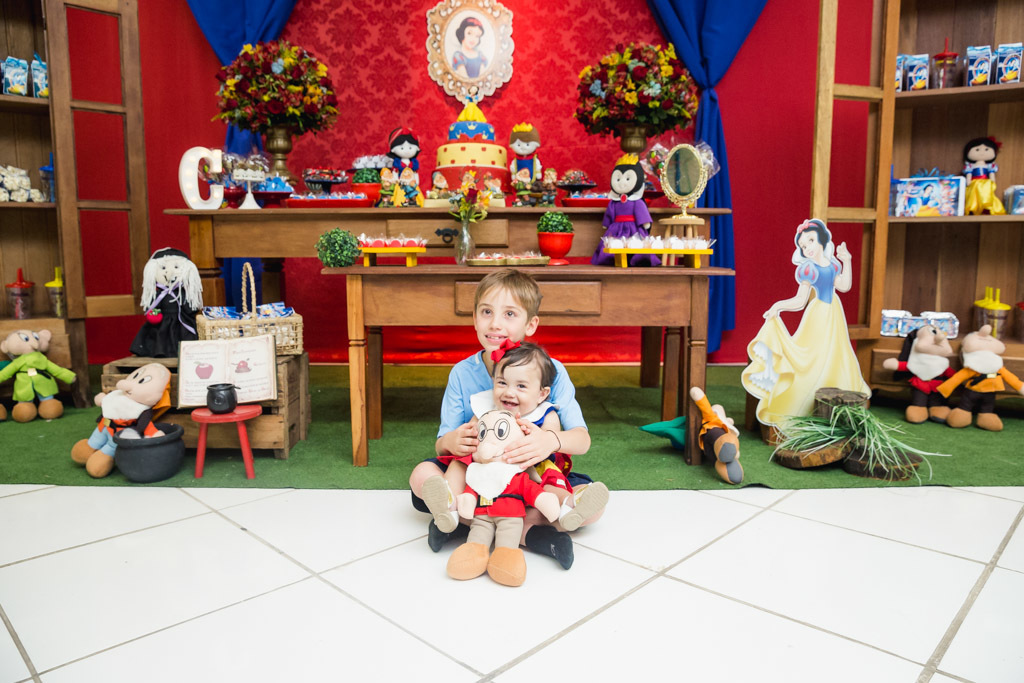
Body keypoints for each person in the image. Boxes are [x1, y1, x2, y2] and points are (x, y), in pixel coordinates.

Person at [409, 269, 604, 569]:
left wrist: (549, 440)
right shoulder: (463, 373)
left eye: (509, 314)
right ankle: (530, 532)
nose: (495, 323)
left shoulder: (552, 370)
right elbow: (441, 446)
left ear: (531, 324)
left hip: (530, 477)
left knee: (590, 510)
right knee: (421, 476)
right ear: (475, 318)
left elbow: (582, 439)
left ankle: (467, 524)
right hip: (478, 471)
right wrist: (453, 441)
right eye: (486, 312)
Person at [741, 219, 870, 429]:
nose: (807, 248)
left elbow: (844, 286)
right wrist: (778, 306)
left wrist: (847, 260)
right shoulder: (808, 269)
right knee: (814, 356)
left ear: (822, 239)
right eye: (803, 245)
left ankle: (833, 400)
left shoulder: (833, 264)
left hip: (834, 313)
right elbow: (800, 301)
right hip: (818, 315)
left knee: (836, 354)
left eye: (810, 241)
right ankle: (802, 401)